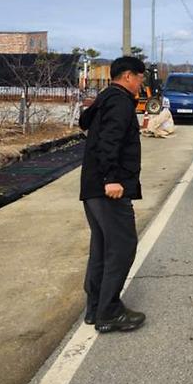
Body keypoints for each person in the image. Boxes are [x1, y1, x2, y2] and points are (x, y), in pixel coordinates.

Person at [78, 56, 146, 332]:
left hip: (92, 188)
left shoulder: (106, 98)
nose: (142, 82)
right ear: (128, 76)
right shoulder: (119, 102)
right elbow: (110, 141)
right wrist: (113, 179)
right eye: (140, 77)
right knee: (121, 247)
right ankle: (109, 312)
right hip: (108, 189)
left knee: (102, 248)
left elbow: (85, 122)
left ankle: (95, 308)